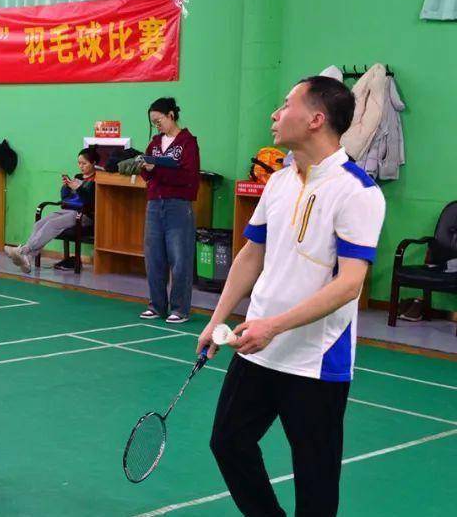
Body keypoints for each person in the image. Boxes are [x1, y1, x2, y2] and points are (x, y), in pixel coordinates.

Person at [198, 77, 385, 516]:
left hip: (315, 360)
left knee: (316, 480)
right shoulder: (279, 182)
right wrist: (216, 319)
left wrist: (273, 327)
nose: (275, 114)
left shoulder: (358, 192)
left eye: (286, 105)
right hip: (256, 347)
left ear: (316, 119)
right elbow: (250, 254)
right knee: (227, 441)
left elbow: (350, 284)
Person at [139, 97, 201, 323]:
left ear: (171, 115)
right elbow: (149, 174)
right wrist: (145, 168)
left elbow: (189, 177)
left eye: (159, 120)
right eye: (154, 122)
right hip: (155, 204)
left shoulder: (187, 143)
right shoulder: (155, 143)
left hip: (178, 205)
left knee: (180, 258)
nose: (157, 126)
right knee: (153, 257)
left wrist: (157, 170)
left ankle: (180, 308)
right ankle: (156, 305)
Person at [4, 148, 99, 273]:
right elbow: (65, 198)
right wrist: (66, 187)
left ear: (93, 163)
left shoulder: (97, 180)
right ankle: (28, 257)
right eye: (79, 163)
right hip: (68, 210)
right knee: (40, 223)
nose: (81, 166)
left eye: (84, 163)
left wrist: (79, 188)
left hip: (83, 215)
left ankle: (23, 251)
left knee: (52, 224)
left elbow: (92, 202)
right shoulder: (78, 177)